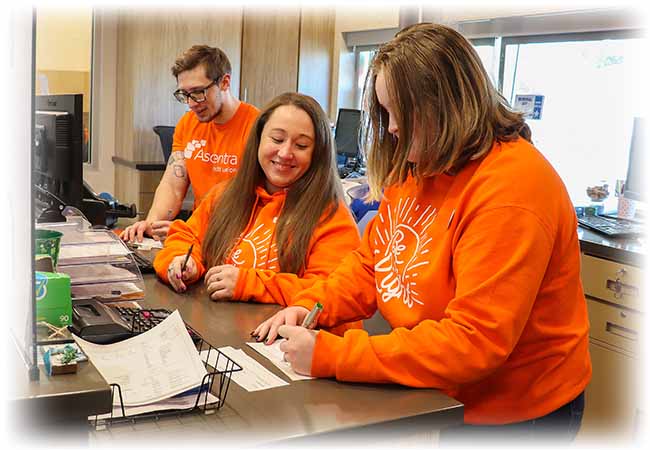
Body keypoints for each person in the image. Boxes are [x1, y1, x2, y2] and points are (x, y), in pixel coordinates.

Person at [253, 23, 591, 442]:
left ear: (445, 105)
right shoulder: (420, 165)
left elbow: (472, 342)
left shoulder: (513, 186)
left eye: (400, 112)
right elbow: (371, 264)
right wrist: (312, 305)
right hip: (445, 397)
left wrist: (334, 354)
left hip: (518, 412)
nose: (392, 128)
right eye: (386, 112)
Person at [153, 92, 362, 335]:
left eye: (301, 145)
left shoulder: (332, 218)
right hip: (219, 334)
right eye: (277, 139)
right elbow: (187, 237)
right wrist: (181, 261)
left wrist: (248, 283)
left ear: (318, 154)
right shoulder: (225, 195)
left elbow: (328, 295)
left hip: (284, 352)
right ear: (259, 140)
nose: (285, 153)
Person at [120, 45, 259, 242]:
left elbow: (254, 205)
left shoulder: (257, 128)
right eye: (184, 94)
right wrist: (151, 225)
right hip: (199, 232)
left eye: (198, 92)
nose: (192, 103)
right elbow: (173, 185)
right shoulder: (188, 124)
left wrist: (193, 233)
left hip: (239, 237)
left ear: (225, 82)